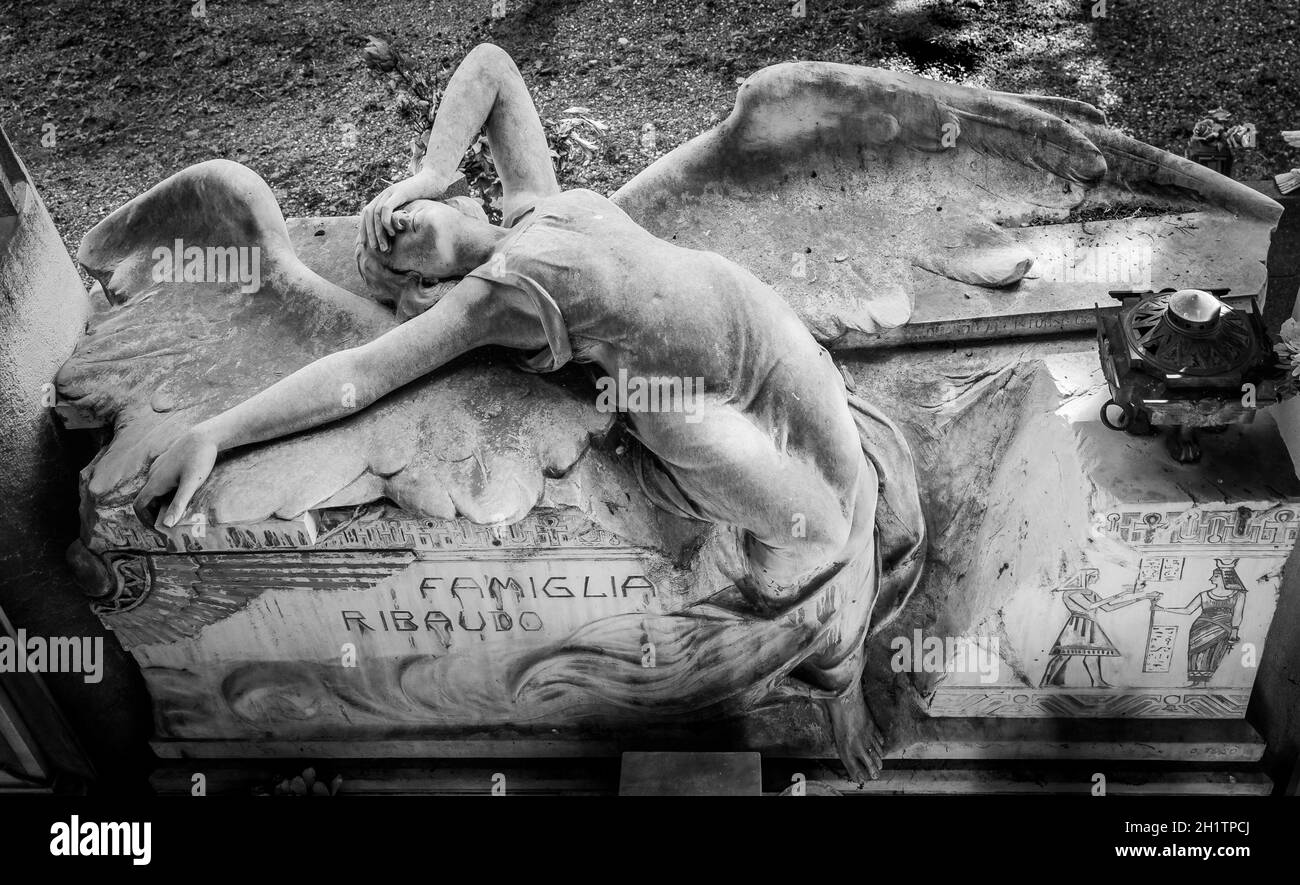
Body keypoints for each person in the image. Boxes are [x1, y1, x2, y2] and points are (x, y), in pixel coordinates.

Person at [136, 42, 878, 610]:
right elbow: (355, 380)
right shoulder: (488, 302)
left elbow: (492, 67)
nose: (394, 222)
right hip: (682, 405)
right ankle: (757, 602)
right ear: (429, 286)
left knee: (859, 474)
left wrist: (430, 168)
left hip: (745, 317)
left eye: (395, 216)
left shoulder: (533, 204)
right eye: (391, 249)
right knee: (824, 526)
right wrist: (216, 433)